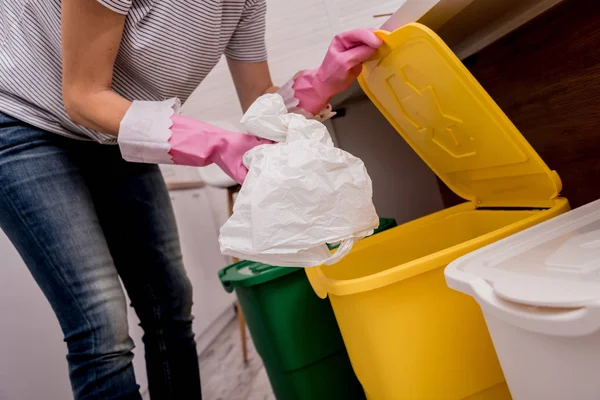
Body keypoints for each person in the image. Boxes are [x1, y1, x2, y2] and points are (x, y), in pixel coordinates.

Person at [0, 0, 382, 399]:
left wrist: (321, 81)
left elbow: (258, 101)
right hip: (25, 122)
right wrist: (211, 142)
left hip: (114, 132)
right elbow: (83, 97)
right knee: (102, 326)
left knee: (169, 305)